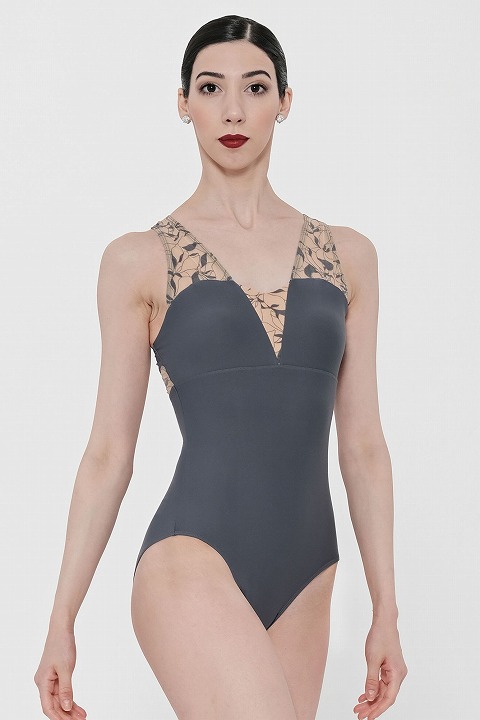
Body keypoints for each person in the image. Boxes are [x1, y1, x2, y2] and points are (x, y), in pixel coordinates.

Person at [34, 14, 407, 720]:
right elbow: (109, 451)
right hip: (190, 556)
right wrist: (62, 620)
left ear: (285, 101)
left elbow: (362, 445)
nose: (233, 110)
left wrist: (386, 608)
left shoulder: (349, 256)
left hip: (309, 572)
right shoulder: (139, 259)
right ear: (184, 103)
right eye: (210, 88)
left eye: (255, 88)